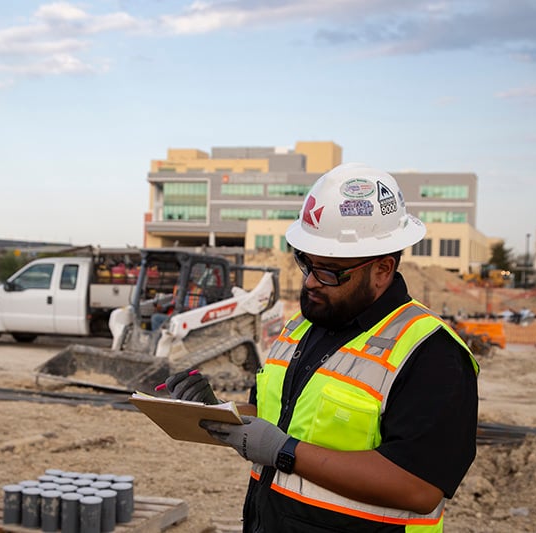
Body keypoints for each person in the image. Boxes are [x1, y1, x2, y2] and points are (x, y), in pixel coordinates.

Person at [164, 163, 479, 532]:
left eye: (330, 271)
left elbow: (419, 487)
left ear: (382, 269)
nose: (312, 282)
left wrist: (285, 452)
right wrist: (217, 411)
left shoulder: (431, 353)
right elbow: (278, 414)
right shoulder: (303, 328)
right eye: (306, 264)